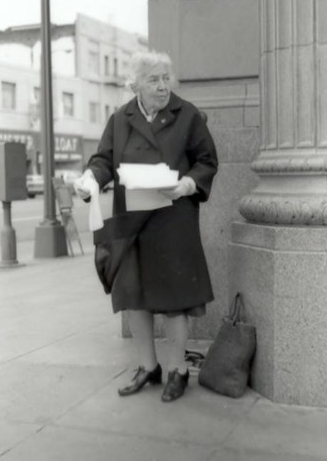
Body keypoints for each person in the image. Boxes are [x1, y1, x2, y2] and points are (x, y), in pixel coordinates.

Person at [74, 50, 218, 402]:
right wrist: (91, 178)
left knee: (174, 300)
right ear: (134, 85)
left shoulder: (187, 116)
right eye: (153, 80)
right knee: (134, 296)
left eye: (165, 78)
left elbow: (207, 160)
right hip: (132, 219)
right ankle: (148, 366)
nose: (162, 86)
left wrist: (188, 183)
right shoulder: (120, 118)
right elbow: (104, 159)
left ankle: (178, 370)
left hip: (173, 219)